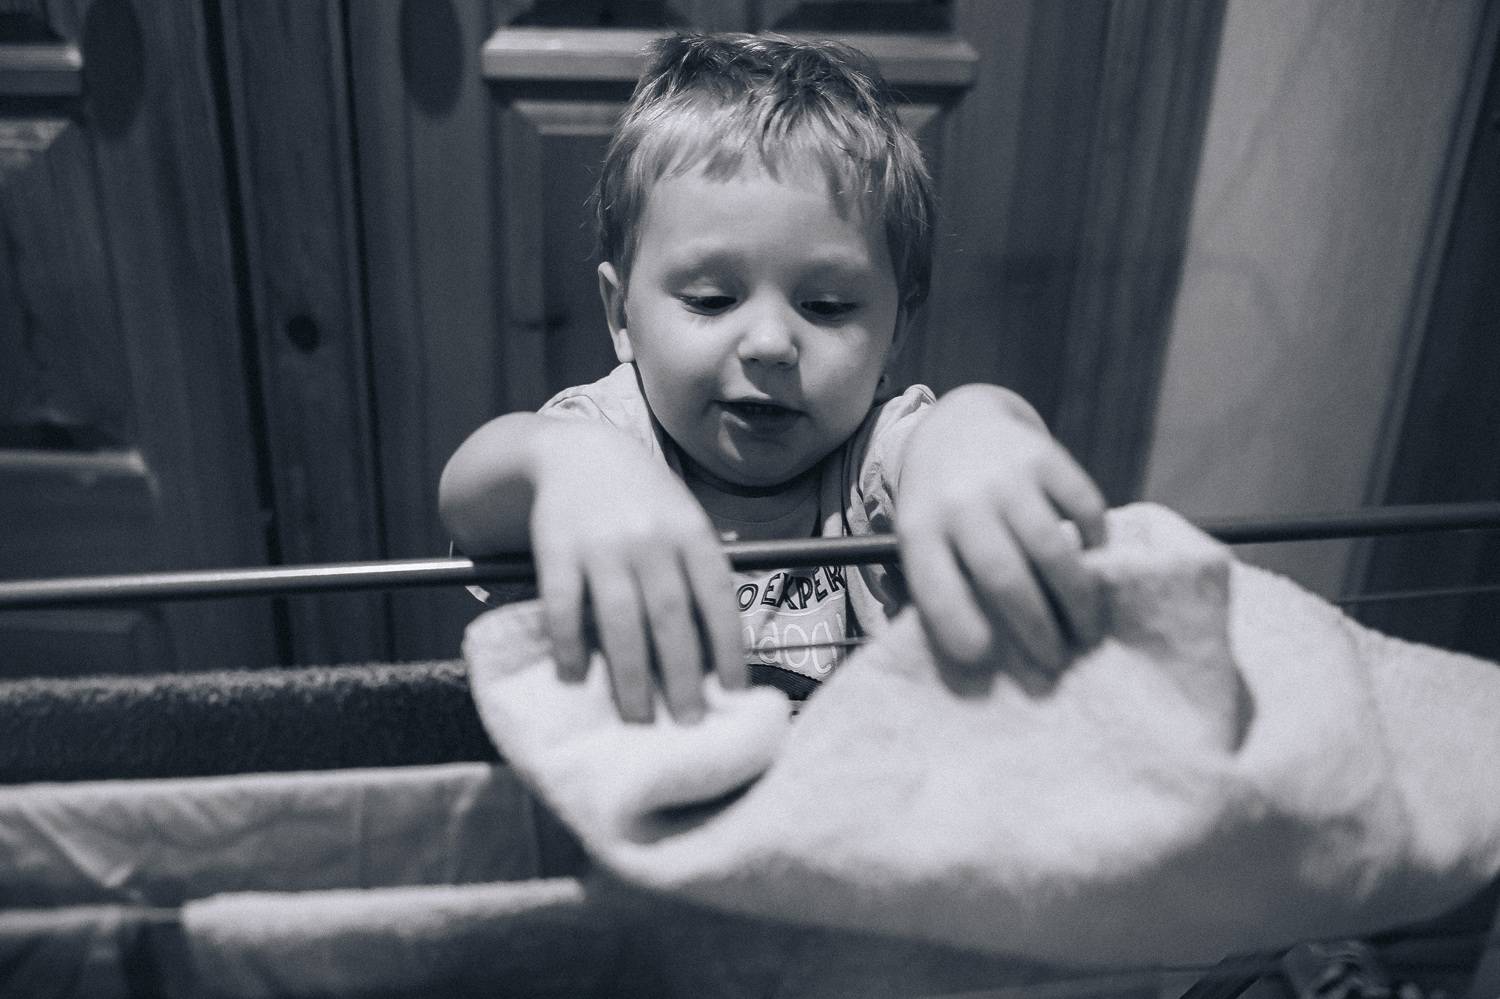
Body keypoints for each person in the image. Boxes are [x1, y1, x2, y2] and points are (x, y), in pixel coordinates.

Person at [440, 31, 1108, 724]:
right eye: (711, 299)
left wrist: (975, 427)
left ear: (895, 332)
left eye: (827, 306)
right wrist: (564, 463)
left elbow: (948, 441)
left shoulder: (871, 458)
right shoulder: (610, 435)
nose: (769, 344)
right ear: (621, 314)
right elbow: (467, 500)